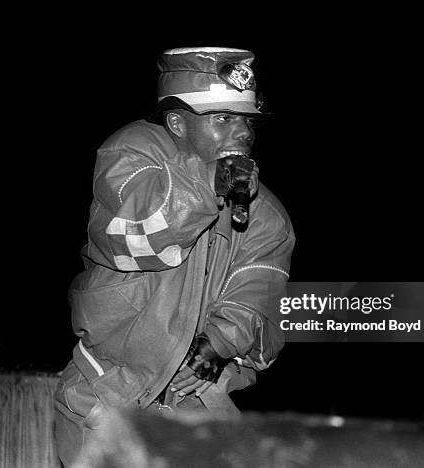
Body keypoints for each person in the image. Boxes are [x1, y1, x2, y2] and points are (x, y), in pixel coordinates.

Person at [53, 47, 295, 466]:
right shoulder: (129, 156)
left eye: (246, 121)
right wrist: (208, 185)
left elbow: (260, 298)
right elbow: (135, 233)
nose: (243, 133)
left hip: (198, 417)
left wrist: (218, 343)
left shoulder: (267, 217)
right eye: (224, 119)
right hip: (107, 403)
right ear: (178, 123)